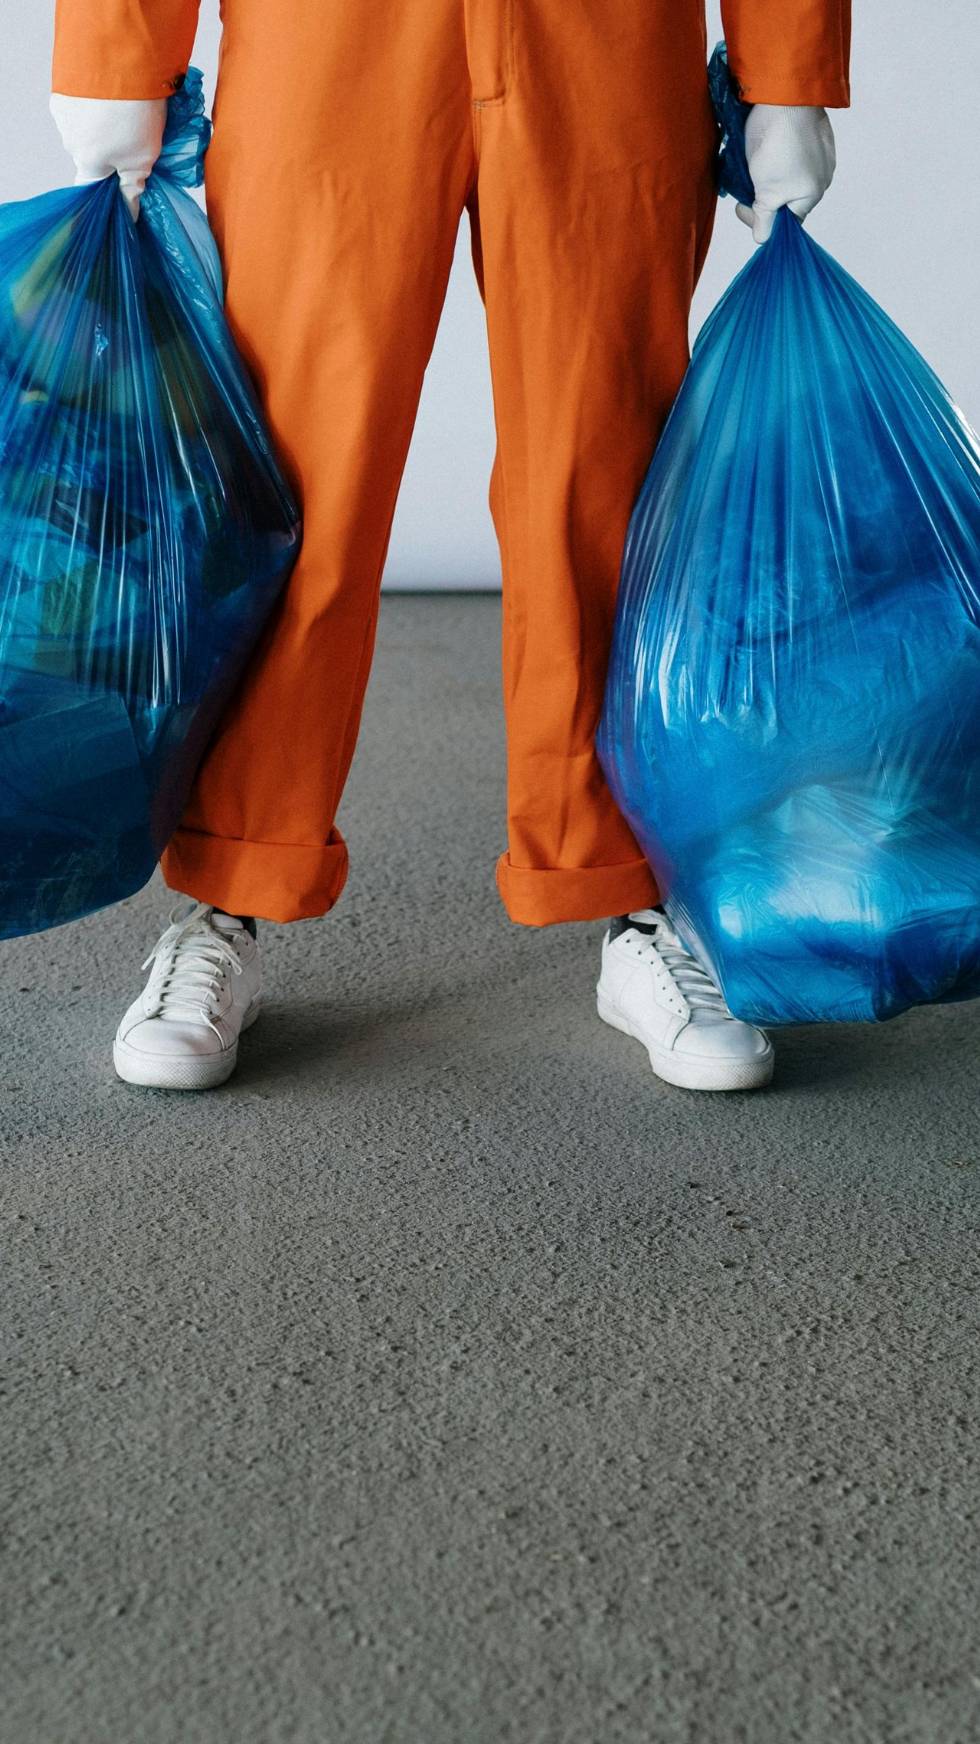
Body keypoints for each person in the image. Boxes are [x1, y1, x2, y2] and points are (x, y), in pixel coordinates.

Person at [50, 0, 849, 1094]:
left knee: (603, 484)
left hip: (601, 40)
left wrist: (787, 68)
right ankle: (227, 892)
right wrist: (114, 48)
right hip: (330, 40)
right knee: (295, 490)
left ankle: (631, 895)